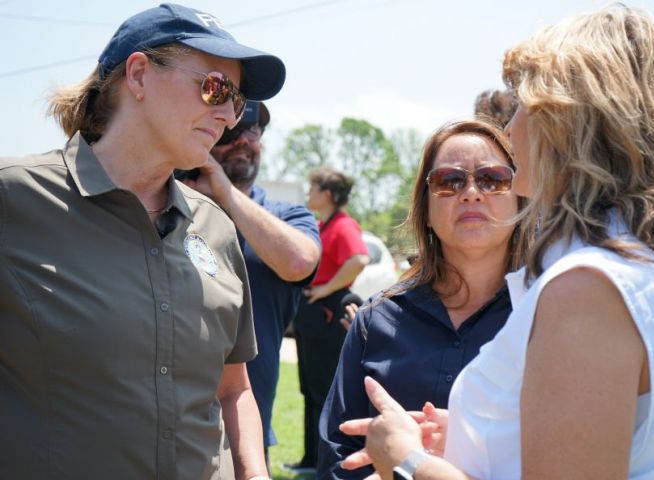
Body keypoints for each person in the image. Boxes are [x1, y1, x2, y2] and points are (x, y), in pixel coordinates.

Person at [339, 5, 654, 479]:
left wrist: (407, 460)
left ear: (571, 124)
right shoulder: (639, 264)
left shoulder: (591, 289)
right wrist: (489, 433)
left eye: (523, 107)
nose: (509, 130)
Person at [0, 4, 286, 479]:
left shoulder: (215, 229)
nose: (229, 116)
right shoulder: (14, 200)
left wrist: (255, 475)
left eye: (236, 101)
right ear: (138, 75)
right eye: (216, 87)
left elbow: (233, 388)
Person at [317, 119, 520, 479]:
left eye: (492, 179)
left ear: (519, 198)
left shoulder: (545, 318)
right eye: (449, 181)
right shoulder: (375, 320)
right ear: (424, 210)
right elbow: (337, 458)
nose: (472, 192)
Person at [183, 100, 321, 471]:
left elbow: (299, 263)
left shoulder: (286, 216)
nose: (245, 141)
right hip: (166, 423)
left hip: (247, 425)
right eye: (232, 133)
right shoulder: (169, 204)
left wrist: (226, 194)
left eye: (254, 132)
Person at [287, 166, 370, 474]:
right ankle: (310, 460)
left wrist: (326, 288)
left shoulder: (344, 225)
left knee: (324, 390)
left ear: (329, 194)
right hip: (312, 313)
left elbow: (359, 259)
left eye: (313, 188)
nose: (308, 193)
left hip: (328, 313)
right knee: (310, 389)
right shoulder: (323, 225)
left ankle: (325, 463)